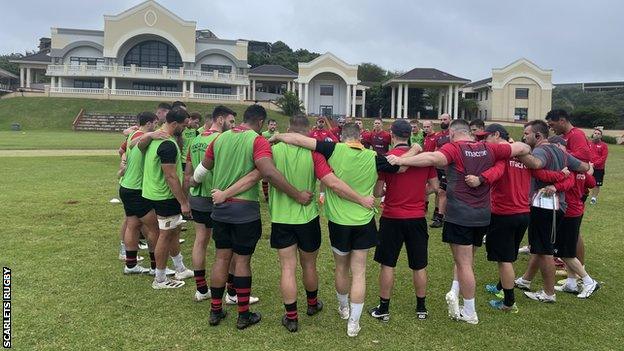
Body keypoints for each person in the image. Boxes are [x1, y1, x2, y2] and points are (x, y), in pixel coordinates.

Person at [216, 115, 375, 332]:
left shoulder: (273, 150)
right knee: (309, 265)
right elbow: (329, 180)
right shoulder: (314, 152)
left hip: (281, 219)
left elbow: (256, 175)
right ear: (308, 131)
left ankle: (291, 317)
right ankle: (312, 304)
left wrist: (225, 193)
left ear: (288, 129)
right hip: (307, 218)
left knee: (287, 268)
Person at [387, 119, 531, 325]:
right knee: (467, 261)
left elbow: (432, 158)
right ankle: (457, 293)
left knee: (463, 264)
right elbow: (522, 146)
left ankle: (470, 311)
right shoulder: (488, 148)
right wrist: (519, 147)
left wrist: (402, 160)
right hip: (482, 216)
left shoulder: (454, 148)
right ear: (469, 134)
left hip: (460, 216)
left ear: (453, 134)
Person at [271, 123, 403, 337]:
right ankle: (354, 322)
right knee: (359, 273)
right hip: (363, 221)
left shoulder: (332, 149)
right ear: (361, 136)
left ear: (341, 136)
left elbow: (298, 140)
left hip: (339, 222)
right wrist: (415, 150)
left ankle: (343, 308)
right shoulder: (373, 156)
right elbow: (402, 166)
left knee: (341, 268)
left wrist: (277, 136)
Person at [192, 105, 312, 329]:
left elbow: (202, 170)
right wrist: (297, 194)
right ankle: (243, 314)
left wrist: (192, 182)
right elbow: (267, 172)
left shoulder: (219, 139)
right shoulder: (257, 141)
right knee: (242, 261)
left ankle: (215, 310)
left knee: (221, 258)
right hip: (244, 210)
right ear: (260, 123)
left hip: (220, 210)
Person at [514, 121, 589, 303]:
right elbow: (584, 167)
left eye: (527, 134)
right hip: (557, 207)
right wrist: (562, 175)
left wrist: (519, 152)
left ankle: (548, 293)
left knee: (545, 250)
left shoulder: (540, 151)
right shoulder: (562, 152)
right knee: (540, 248)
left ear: (538, 136)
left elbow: (536, 164)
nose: (524, 137)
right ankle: (527, 281)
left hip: (544, 206)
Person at [369, 120, 436, 322]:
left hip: (392, 217)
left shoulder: (389, 159)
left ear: (392, 134)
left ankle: (384, 308)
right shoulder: (424, 158)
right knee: (419, 264)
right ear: (410, 135)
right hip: (416, 217)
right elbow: (434, 186)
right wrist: (418, 193)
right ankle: (421, 308)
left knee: (388, 264)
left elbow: (378, 191)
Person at [183, 106, 236, 301]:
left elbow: (188, 173)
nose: (234, 126)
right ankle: (231, 293)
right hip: (218, 198)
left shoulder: (196, 140)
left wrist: (186, 199)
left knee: (200, 241)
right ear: (220, 120)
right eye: (231, 121)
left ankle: (201, 289)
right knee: (228, 247)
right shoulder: (222, 139)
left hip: (197, 198)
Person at [139, 107, 194, 289]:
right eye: (184, 126)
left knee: (174, 230)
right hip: (164, 196)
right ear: (174, 124)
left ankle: (179, 267)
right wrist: (184, 202)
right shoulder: (167, 144)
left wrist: (147, 137)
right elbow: (171, 176)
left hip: (153, 193)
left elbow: (139, 145)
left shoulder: (155, 138)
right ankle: (160, 279)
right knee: (165, 234)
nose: (185, 129)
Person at [545, 137, 600, 299]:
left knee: (566, 252)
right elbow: (591, 183)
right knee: (567, 249)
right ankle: (571, 282)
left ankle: (589, 281)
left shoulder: (566, 168)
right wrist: (586, 172)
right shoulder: (579, 168)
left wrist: (555, 185)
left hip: (568, 212)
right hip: (577, 210)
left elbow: (565, 184)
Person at [118, 112, 160, 275]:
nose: (156, 126)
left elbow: (125, 147)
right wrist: (152, 134)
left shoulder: (133, 133)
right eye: (155, 123)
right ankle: (156, 267)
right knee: (154, 228)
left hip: (125, 187)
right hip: (136, 189)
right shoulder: (143, 136)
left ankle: (131, 265)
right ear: (149, 123)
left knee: (133, 225)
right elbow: (135, 143)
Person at [430, 113, 451, 228]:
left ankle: (441, 216)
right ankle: (438, 213)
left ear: (450, 120)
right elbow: (436, 149)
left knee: (444, 192)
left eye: (445, 119)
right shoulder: (438, 136)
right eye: (441, 119)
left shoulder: (452, 134)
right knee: (439, 191)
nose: (443, 121)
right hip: (439, 167)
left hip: (450, 168)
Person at [589, 128, 609, 204]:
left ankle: (593, 198)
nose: (596, 135)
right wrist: (588, 163)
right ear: (593, 134)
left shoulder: (604, 145)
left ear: (601, 136)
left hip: (599, 168)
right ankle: (583, 195)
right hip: (588, 167)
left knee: (597, 184)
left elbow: (603, 158)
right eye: (595, 133)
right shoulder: (589, 143)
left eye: (598, 134)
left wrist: (594, 164)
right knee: (584, 182)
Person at [261, 119, 279, 201]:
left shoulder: (278, 134)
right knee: (265, 177)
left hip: (276, 157)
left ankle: (275, 195)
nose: (273, 126)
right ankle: (266, 196)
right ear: (268, 125)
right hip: (266, 157)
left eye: (274, 125)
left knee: (275, 177)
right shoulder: (263, 134)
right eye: (271, 124)